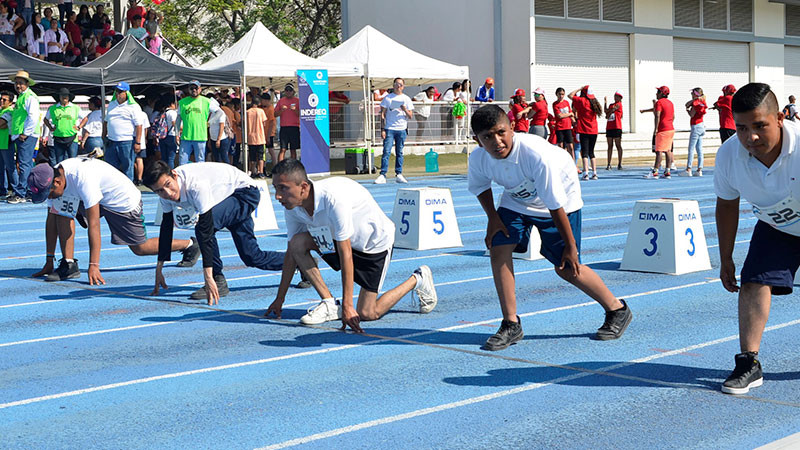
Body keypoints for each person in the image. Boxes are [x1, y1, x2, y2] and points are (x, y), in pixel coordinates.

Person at [467, 105, 631, 350]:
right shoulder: (479, 158)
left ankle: (617, 309)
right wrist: (493, 218)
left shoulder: (535, 156)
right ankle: (511, 324)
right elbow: (480, 187)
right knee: (499, 248)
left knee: (567, 268)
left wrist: (571, 247)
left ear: (512, 128)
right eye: (487, 137)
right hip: (517, 199)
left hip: (560, 201)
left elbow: (555, 206)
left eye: (501, 132)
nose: (497, 141)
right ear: (477, 141)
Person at [265, 159, 437, 330]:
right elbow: (291, 253)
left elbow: (345, 252)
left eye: (283, 188)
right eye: (275, 188)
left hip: (374, 245)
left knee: (368, 313)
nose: (278, 196)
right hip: (339, 242)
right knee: (297, 243)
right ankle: (330, 303)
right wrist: (280, 298)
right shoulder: (292, 207)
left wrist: (348, 306)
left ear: (303, 187)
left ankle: (418, 278)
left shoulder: (333, 199)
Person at [712, 82, 800, 395]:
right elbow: (726, 204)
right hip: (777, 226)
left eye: (760, 126)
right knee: (752, 282)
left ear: (779, 118)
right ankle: (748, 363)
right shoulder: (729, 155)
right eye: (742, 128)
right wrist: (725, 257)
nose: (751, 137)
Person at [27, 158, 199, 283]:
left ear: (57, 182)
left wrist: (94, 265)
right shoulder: (53, 176)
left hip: (122, 201)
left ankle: (189, 244)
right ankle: (68, 264)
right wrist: (49, 259)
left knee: (140, 248)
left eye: (48, 194)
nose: (48, 197)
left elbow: (94, 225)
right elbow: (50, 222)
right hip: (93, 197)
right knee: (60, 214)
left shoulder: (82, 179)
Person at [144, 160, 287, 304]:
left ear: (174, 175)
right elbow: (166, 227)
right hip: (226, 198)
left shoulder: (195, 185)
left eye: (168, 185)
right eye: (159, 191)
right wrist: (159, 269)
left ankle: (217, 279)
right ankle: (298, 262)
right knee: (253, 257)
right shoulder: (165, 196)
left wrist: (209, 277)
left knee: (202, 228)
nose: (167, 193)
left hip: (245, 193)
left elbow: (206, 230)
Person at [7, 70, 40, 204]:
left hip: (26, 135)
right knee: (25, 163)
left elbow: (33, 116)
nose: (18, 86)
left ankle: (21, 193)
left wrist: (25, 133)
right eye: (16, 83)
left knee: (24, 164)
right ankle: (28, 191)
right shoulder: (21, 97)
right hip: (21, 135)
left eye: (21, 83)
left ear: (27, 84)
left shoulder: (29, 97)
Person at [375, 77, 414, 184]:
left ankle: (399, 173)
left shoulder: (406, 99)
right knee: (386, 151)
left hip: (401, 129)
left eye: (400, 84)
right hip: (390, 128)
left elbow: (410, 115)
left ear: (403, 86)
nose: (398, 86)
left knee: (399, 152)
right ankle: (383, 174)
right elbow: (382, 114)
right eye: (396, 84)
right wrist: (382, 129)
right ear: (393, 85)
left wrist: (404, 108)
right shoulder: (388, 98)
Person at [103, 82, 143, 180]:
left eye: (120, 91)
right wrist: (103, 135)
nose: (118, 94)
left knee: (127, 168)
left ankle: (129, 189)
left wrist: (138, 142)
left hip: (127, 141)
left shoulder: (133, 106)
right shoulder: (112, 104)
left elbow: (139, 125)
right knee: (111, 168)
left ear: (126, 93)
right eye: (116, 91)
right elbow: (106, 121)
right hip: (111, 141)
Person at [177, 80, 218, 166]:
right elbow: (178, 118)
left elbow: (219, 112)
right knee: (182, 161)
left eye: (196, 88)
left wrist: (210, 122)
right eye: (192, 88)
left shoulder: (207, 101)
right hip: (186, 137)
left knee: (200, 161)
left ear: (200, 89)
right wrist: (176, 134)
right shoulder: (182, 102)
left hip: (200, 137)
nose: (194, 90)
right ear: (189, 89)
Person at [640, 86, 675, 179]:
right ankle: (667, 171)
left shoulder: (659, 102)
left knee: (659, 151)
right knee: (668, 150)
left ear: (662, 93)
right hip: (670, 129)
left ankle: (655, 171)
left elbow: (657, 115)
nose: (656, 93)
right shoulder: (670, 103)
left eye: (658, 91)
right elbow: (673, 116)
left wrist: (656, 128)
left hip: (662, 129)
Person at [569, 86, 603, 180]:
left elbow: (570, 95)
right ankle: (595, 173)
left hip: (584, 130)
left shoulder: (582, 101)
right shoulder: (594, 103)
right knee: (591, 152)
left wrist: (579, 88)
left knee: (584, 152)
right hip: (594, 130)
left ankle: (586, 172)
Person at [44, 88, 81, 165]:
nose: (64, 97)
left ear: (69, 97)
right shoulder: (53, 108)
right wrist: (50, 127)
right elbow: (45, 119)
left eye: (66, 95)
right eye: (62, 95)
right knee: (59, 162)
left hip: (72, 137)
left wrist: (79, 127)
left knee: (73, 161)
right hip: (58, 138)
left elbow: (85, 118)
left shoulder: (75, 107)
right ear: (59, 97)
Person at [275, 83, 301, 162]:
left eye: (290, 90)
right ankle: (280, 167)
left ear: (293, 91)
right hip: (284, 128)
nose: (288, 92)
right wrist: (281, 110)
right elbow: (275, 114)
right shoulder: (281, 101)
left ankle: (293, 168)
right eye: (287, 90)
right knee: (283, 149)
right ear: (284, 91)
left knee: (293, 149)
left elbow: (301, 114)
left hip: (294, 127)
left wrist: (295, 110)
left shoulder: (297, 101)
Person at [685, 87, 707, 177]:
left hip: (696, 126)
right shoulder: (702, 102)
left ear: (695, 94)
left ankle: (688, 169)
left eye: (692, 94)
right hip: (702, 125)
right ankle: (699, 169)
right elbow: (687, 103)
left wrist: (687, 110)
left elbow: (691, 114)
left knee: (691, 148)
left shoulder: (696, 103)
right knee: (699, 149)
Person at [245, 93, 268, 178]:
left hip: (251, 137)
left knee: (252, 157)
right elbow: (264, 122)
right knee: (261, 156)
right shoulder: (261, 111)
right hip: (260, 137)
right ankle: (260, 171)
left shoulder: (247, 112)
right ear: (259, 103)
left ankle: (253, 171)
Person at [553, 87, 576, 164]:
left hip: (568, 127)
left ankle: (572, 163)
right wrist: (570, 114)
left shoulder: (566, 103)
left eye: (562, 94)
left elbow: (571, 114)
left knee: (570, 146)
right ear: (556, 94)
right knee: (560, 145)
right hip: (560, 127)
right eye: (559, 94)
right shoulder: (555, 104)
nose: (561, 96)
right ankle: (561, 163)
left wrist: (574, 121)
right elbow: (559, 115)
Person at [156, 94, 179, 169]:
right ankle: (170, 173)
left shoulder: (162, 112)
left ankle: (164, 172)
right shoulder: (172, 113)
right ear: (172, 103)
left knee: (164, 157)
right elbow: (175, 125)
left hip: (162, 136)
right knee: (171, 158)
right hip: (171, 136)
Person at [0, 91, 15, 201]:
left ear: (10, 102)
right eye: (1, 98)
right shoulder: (1, 111)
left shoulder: (10, 111)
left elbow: (1, 123)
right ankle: (2, 190)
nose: (1, 101)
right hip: (1, 142)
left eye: (4, 99)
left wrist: (2, 124)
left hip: (7, 142)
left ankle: (16, 190)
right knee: (1, 169)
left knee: (10, 168)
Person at [207, 96, 231, 165]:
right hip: (213, 138)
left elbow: (221, 126)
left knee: (224, 156)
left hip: (222, 138)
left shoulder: (221, 113)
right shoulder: (211, 114)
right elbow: (210, 126)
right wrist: (209, 139)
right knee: (216, 157)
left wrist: (218, 139)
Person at [603, 92, 624, 170]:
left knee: (618, 145)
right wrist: (605, 103)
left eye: (617, 96)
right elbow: (606, 111)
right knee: (610, 145)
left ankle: (619, 163)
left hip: (617, 127)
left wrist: (610, 112)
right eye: (615, 96)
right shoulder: (611, 105)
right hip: (609, 127)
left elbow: (612, 110)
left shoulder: (619, 105)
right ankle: (609, 163)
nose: (615, 98)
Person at [259, 92, 277, 169]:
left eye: (262, 100)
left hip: (269, 133)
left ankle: (275, 167)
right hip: (261, 133)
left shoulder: (271, 109)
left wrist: (269, 136)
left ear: (267, 100)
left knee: (271, 150)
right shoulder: (260, 108)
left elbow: (271, 123)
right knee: (261, 151)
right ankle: (263, 167)